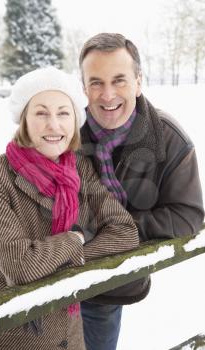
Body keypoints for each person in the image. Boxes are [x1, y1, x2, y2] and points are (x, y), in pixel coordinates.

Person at [0, 66, 139, 350]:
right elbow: (21, 266)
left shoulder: (78, 168)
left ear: (75, 120)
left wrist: (55, 253)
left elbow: (125, 232)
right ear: (23, 119)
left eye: (63, 112)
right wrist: (76, 237)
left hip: (69, 335)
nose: (54, 125)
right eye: (41, 113)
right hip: (10, 334)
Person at [79, 32, 204, 350]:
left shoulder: (169, 138)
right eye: (96, 82)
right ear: (83, 87)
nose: (107, 95)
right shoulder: (62, 132)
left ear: (137, 82)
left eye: (119, 80)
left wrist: (111, 234)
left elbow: (187, 214)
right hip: (40, 283)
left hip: (103, 286)